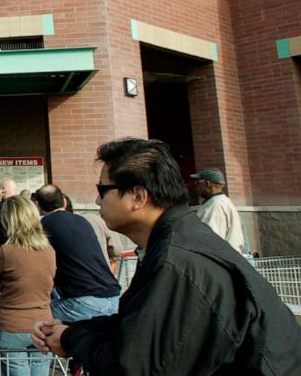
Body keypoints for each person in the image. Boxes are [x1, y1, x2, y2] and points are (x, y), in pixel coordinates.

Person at [32, 137, 301, 375]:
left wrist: (71, 340)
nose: (97, 201)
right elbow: (140, 326)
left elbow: (133, 365)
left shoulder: (178, 260)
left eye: (103, 190)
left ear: (138, 196)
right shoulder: (172, 240)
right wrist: (72, 331)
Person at [0, 195, 55, 376]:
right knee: (41, 368)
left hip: (11, 323)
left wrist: (5, 286)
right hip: (44, 322)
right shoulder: (49, 250)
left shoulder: (5, 252)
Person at [32, 184, 119, 323]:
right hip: (114, 298)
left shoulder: (43, 225)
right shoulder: (82, 221)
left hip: (82, 302)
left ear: (38, 206)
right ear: (64, 202)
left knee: (33, 316)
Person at [192, 168, 247, 254]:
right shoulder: (224, 202)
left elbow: (208, 240)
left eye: (198, 183)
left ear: (207, 183)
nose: (197, 187)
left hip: (220, 260)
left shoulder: (214, 206)